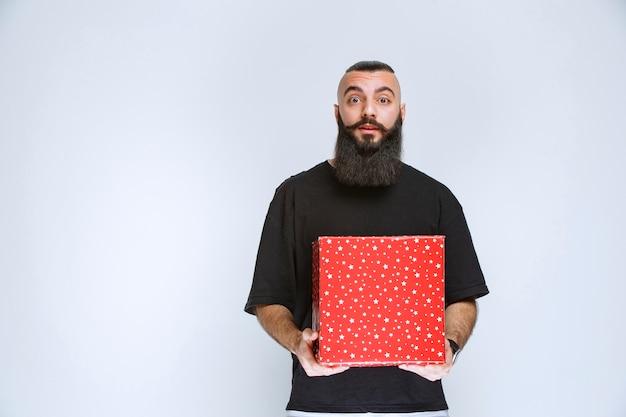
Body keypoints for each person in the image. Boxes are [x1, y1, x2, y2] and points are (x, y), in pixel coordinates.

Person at [244, 61, 489, 417]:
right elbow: (269, 300)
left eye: (384, 100)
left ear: (401, 113)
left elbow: (462, 297)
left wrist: (449, 345)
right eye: (355, 98)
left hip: (418, 406)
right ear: (337, 112)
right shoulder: (294, 196)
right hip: (318, 407)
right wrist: (298, 343)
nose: (369, 110)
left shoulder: (437, 198)